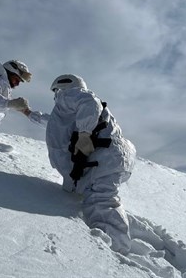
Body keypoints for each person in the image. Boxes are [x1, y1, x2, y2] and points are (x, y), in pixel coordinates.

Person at [45, 74, 136, 254]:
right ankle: (115, 244)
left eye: (56, 91)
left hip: (102, 158)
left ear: (61, 87)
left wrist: (85, 134)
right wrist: (27, 113)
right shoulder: (71, 111)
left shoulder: (73, 95)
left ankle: (115, 252)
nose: (56, 96)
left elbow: (89, 102)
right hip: (108, 157)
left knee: (100, 200)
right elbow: (54, 124)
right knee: (100, 196)